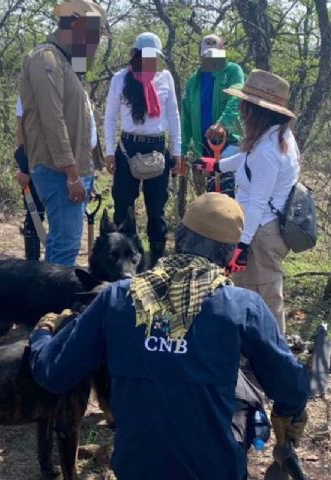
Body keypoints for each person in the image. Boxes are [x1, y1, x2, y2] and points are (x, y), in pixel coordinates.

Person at [29, 193, 310, 480]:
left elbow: (52, 374)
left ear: (178, 238)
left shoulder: (117, 298)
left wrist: (42, 333)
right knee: (243, 394)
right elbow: (293, 387)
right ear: (231, 254)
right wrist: (288, 415)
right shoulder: (242, 306)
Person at [193, 70, 300, 334]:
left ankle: (274, 357)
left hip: (262, 231)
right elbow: (245, 159)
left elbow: (257, 203)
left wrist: (241, 246)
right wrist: (217, 165)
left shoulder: (268, 149)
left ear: (256, 110)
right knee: (242, 291)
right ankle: (247, 349)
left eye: (245, 105)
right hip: (258, 228)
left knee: (265, 297)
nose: (241, 110)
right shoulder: (272, 136)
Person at [18, 0, 106, 266]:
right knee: (65, 246)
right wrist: (71, 173)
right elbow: (52, 120)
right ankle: (56, 304)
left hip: (74, 170)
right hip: (59, 171)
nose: (97, 42)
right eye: (95, 33)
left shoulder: (69, 63)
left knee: (67, 242)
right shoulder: (47, 58)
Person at [103, 32, 183, 265]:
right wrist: (109, 151)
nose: (151, 60)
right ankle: (124, 259)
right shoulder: (120, 79)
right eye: (146, 55)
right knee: (123, 206)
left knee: (156, 207)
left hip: (157, 147)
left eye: (154, 56)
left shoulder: (164, 78)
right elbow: (110, 117)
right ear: (136, 54)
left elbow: (173, 116)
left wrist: (176, 152)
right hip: (128, 146)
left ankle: (156, 260)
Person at [15, 96, 100, 261]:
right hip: (52, 169)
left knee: (61, 240)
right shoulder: (39, 86)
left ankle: (47, 279)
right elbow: (22, 130)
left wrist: (88, 174)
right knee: (54, 236)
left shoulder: (77, 88)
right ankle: (35, 269)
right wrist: (23, 166)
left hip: (80, 169)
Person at [181, 34, 244, 197]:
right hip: (204, 148)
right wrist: (182, 150)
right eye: (207, 55)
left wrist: (222, 124)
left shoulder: (232, 71)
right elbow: (186, 118)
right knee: (211, 198)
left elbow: (237, 97)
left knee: (229, 194)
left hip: (229, 145)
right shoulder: (193, 81)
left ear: (223, 50)